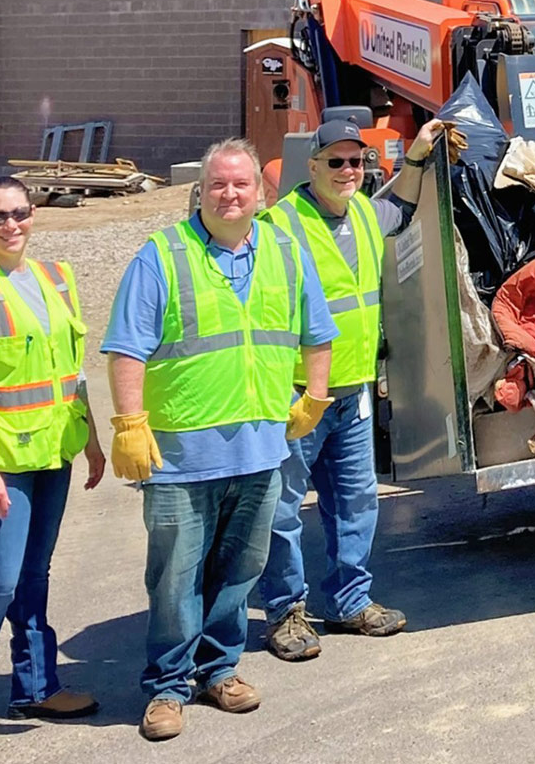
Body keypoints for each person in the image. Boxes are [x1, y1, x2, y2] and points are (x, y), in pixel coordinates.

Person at [102, 139, 338, 742]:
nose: (231, 195)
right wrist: (129, 423)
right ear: (200, 192)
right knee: (176, 578)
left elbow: (317, 330)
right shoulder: (163, 255)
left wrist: (314, 395)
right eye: (219, 185)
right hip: (181, 456)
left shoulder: (285, 251)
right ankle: (166, 687)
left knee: (239, 572)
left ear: (261, 193)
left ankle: (219, 670)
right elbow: (127, 348)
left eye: (242, 185)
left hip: (260, 448)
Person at [258, 117, 445, 660]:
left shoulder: (365, 212)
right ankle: (286, 613)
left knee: (356, 502)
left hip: (354, 393)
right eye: (335, 161)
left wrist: (415, 156)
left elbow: (402, 208)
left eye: (356, 162)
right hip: (298, 394)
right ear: (311, 166)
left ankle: (349, 601)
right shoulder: (279, 225)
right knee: (284, 507)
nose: (347, 171)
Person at [0, 176, 106, 760]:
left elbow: (73, 369)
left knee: (35, 576)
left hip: (53, 452)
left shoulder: (56, 279)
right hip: (2, 462)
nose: (11, 225)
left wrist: (92, 440)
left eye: (20, 213)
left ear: (34, 215)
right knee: (0, 581)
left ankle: (36, 689)